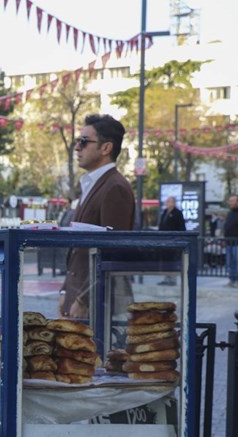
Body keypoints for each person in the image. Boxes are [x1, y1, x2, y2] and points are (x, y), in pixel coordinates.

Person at [58, 114, 135, 319]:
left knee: (98, 352)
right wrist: (65, 291)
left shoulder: (115, 187)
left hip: (98, 304)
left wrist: (84, 299)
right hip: (80, 299)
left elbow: (112, 251)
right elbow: (79, 248)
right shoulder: (93, 183)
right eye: (77, 141)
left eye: (83, 142)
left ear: (106, 148)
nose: (77, 147)